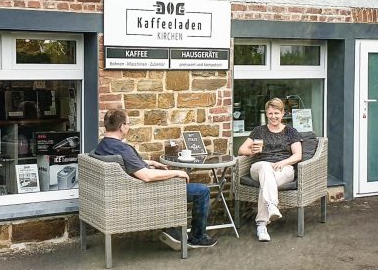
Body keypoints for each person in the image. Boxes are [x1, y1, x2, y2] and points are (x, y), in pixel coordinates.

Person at [94, 109, 217, 249]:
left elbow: (128, 164)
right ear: (121, 127)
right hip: (145, 192)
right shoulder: (123, 149)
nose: (129, 126)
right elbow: (147, 176)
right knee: (202, 191)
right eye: (128, 123)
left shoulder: (103, 145)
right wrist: (176, 173)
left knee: (174, 181)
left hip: (126, 190)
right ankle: (197, 237)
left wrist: (149, 162)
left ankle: (173, 229)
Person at [238, 98, 302, 242]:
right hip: (259, 167)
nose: (273, 116)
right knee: (266, 168)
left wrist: (283, 162)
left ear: (283, 113)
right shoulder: (259, 131)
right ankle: (272, 205)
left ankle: (261, 225)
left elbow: (298, 155)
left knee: (266, 184)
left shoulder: (291, 131)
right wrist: (253, 152)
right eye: (270, 113)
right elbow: (241, 149)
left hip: (283, 169)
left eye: (277, 113)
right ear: (266, 114)